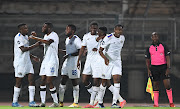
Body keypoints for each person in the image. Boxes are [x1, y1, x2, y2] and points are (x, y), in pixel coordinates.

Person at [29, 22, 59, 107]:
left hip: (52, 60)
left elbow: (48, 42)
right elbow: (44, 46)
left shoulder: (54, 35)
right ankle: (43, 102)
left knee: (49, 80)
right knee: (42, 80)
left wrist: (35, 38)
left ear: (49, 28)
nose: (42, 28)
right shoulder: (45, 36)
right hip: (46, 60)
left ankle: (56, 102)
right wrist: (38, 43)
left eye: (44, 27)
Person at [98, 24, 126, 108]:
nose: (119, 31)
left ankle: (114, 103)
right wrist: (105, 59)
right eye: (117, 30)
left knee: (117, 80)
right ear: (114, 30)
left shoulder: (122, 38)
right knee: (104, 82)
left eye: (120, 30)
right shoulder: (108, 38)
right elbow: (100, 50)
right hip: (108, 62)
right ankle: (100, 102)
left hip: (117, 62)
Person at [12, 23, 40, 107]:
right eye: (25, 28)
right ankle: (15, 102)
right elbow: (23, 49)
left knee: (32, 80)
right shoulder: (18, 37)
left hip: (27, 62)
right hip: (20, 63)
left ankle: (31, 102)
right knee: (19, 82)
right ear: (20, 30)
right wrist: (35, 45)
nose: (27, 30)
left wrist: (32, 57)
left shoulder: (25, 37)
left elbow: (26, 51)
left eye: (27, 28)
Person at [145, 32, 175, 107]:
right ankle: (156, 103)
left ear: (158, 37)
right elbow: (147, 60)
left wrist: (168, 67)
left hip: (163, 67)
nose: (155, 38)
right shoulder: (149, 48)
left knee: (167, 84)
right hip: (154, 67)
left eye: (156, 36)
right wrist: (148, 69)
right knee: (155, 85)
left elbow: (167, 57)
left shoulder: (163, 46)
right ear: (151, 38)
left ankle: (171, 102)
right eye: (153, 36)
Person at [77, 22, 102, 108]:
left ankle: (94, 101)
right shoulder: (86, 36)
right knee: (84, 80)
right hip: (88, 61)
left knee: (96, 81)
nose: (94, 29)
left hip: (97, 60)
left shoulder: (100, 37)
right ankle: (97, 97)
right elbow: (82, 48)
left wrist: (98, 49)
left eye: (95, 28)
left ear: (97, 29)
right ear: (90, 28)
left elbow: (105, 47)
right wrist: (78, 60)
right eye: (93, 28)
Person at [58, 24, 81, 107]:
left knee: (74, 82)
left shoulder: (76, 39)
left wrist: (70, 55)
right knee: (63, 80)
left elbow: (80, 50)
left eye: (68, 29)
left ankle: (76, 102)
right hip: (67, 62)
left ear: (72, 31)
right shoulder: (67, 39)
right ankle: (60, 102)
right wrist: (60, 51)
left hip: (74, 63)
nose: (66, 30)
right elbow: (68, 51)